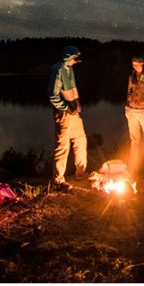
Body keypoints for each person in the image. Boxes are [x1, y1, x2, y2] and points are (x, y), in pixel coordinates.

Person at [48, 45, 87, 191]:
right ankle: (58, 181)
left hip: (74, 114)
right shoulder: (58, 70)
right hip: (64, 114)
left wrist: (76, 106)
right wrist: (65, 107)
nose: (76, 61)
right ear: (69, 57)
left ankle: (81, 174)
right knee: (62, 147)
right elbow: (53, 95)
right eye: (75, 58)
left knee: (81, 141)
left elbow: (72, 91)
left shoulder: (69, 69)